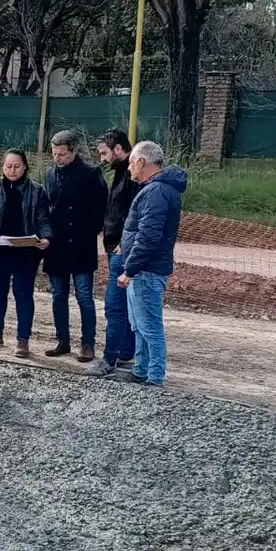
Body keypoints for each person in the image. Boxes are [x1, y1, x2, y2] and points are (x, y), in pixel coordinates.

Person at [111, 140, 188, 388]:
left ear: (142, 162)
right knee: (138, 324)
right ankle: (141, 369)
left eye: (132, 162)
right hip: (145, 268)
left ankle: (154, 376)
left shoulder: (156, 192)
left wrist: (129, 269)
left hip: (146, 270)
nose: (130, 168)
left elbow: (148, 236)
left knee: (149, 326)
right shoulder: (159, 189)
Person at [0, 149, 52, 358]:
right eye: (9, 166)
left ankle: (23, 340)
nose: (12, 170)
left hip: (25, 253)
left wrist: (46, 238)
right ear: (3, 167)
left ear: (25, 166)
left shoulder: (37, 191)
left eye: (17, 166)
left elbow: (43, 219)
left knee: (23, 295)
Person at [41, 129, 107, 362]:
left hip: (81, 245)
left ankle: (88, 344)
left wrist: (88, 232)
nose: (57, 159)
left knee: (84, 297)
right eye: (54, 154)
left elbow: (101, 210)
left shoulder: (91, 174)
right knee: (58, 295)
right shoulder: (50, 174)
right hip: (57, 246)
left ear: (74, 151)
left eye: (61, 154)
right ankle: (62, 340)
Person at [89, 129, 140, 376]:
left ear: (118, 149)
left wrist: (125, 242)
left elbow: (138, 213)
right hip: (115, 248)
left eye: (104, 153)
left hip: (123, 250)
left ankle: (109, 360)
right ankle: (125, 353)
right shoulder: (121, 172)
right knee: (125, 306)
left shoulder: (133, 175)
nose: (102, 158)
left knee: (115, 307)